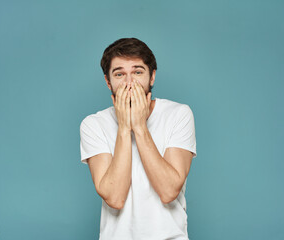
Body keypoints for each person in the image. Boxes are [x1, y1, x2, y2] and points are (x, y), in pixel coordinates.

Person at [79, 37, 197, 240]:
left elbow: (169, 191)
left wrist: (140, 126)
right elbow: (115, 198)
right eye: (119, 74)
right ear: (108, 82)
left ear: (152, 77)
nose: (129, 83)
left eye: (138, 72)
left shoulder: (179, 114)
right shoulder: (93, 124)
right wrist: (125, 127)